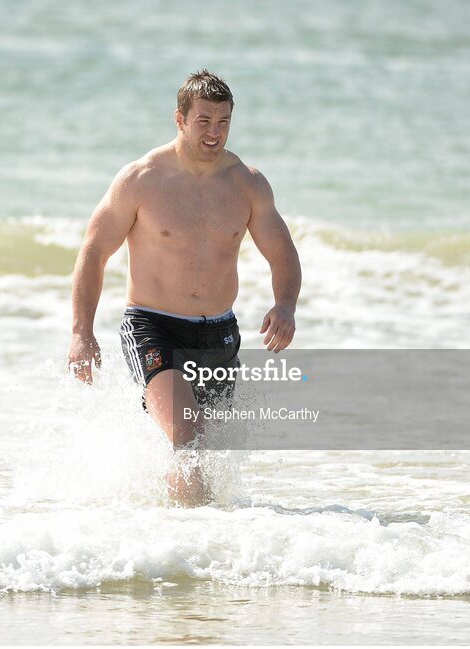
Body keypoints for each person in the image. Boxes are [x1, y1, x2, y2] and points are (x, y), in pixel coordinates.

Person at [68, 69, 301, 505]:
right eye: (204, 121)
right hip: (153, 327)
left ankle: (182, 539)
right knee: (188, 438)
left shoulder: (247, 184)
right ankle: (188, 539)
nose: (215, 133)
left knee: (205, 453)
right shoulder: (141, 179)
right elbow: (93, 251)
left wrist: (285, 304)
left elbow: (282, 250)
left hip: (219, 333)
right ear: (180, 119)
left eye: (224, 122)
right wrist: (82, 332)